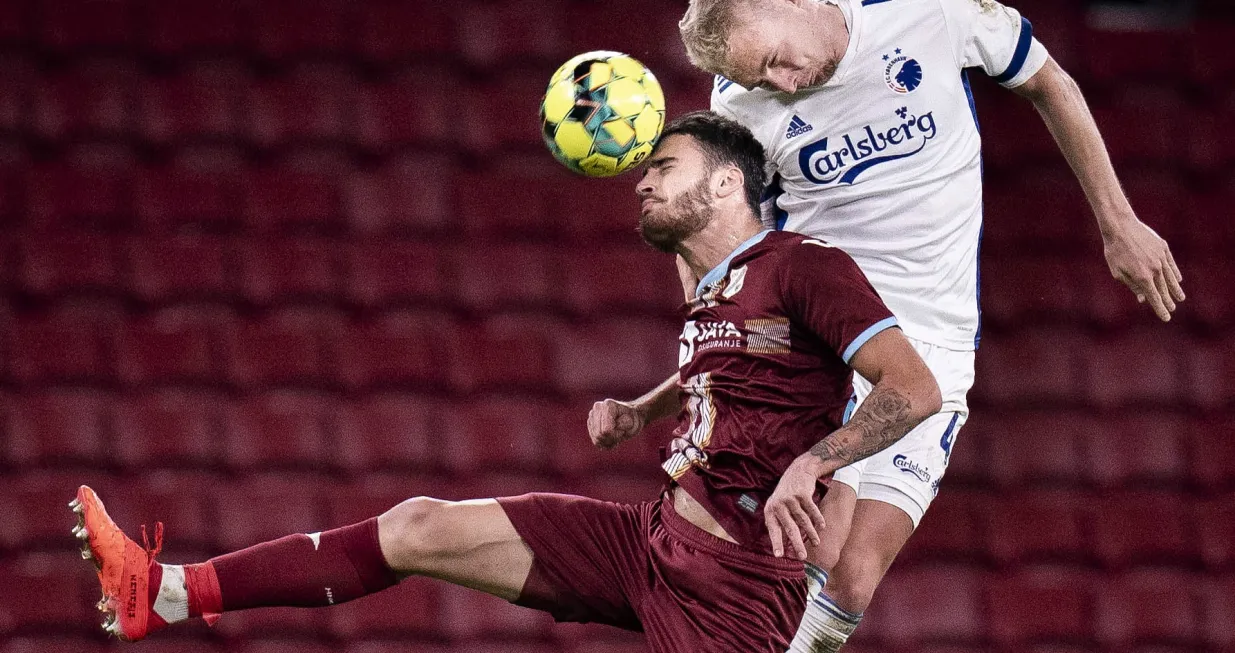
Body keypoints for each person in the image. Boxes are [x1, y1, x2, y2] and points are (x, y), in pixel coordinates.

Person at [69, 111, 941, 652]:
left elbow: (912, 389)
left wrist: (812, 465)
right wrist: (642, 408)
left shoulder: (806, 265)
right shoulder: (713, 288)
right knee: (417, 526)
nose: (641, 183)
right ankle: (168, 593)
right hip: (649, 541)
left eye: (661, 168)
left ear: (723, 183)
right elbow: (733, 371)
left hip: (738, 584)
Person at [588, 1, 1188, 650]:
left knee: (850, 583)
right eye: (762, 81)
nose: (782, 84)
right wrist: (666, 394)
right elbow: (726, 263)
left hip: (938, 346)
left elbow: (1046, 81)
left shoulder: (925, 12)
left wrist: (1116, 221)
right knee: (814, 547)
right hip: (830, 342)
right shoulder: (739, 108)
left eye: (771, 61)